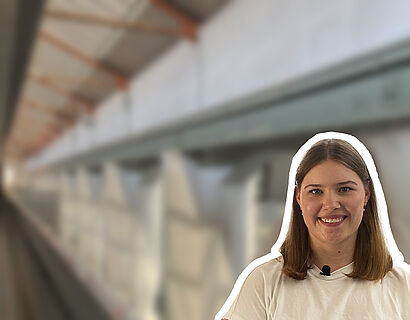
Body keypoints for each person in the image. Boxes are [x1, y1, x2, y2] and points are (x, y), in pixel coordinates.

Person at [215, 132, 410, 320]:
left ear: (366, 194)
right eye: (316, 191)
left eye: (344, 189)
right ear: (298, 197)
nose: (331, 204)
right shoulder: (264, 282)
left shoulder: (404, 287)